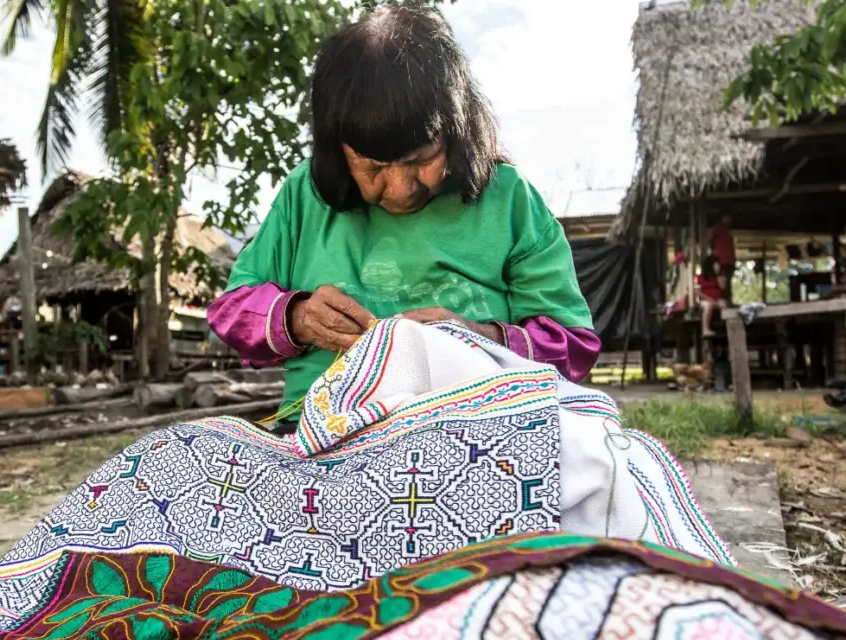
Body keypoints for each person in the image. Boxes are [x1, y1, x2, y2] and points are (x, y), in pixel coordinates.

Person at [208, 6, 599, 421]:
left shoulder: (510, 200)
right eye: (373, 168)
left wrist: (480, 340)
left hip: (475, 432)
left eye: (421, 159)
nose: (401, 189)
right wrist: (299, 316)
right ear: (338, 153)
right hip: (328, 434)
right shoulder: (304, 195)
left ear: (456, 130)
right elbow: (233, 311)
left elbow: (573, 346)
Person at [698, 255, 728, 337]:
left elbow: (723, 288)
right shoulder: (700, 277)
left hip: (717, 300)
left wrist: (720, 277)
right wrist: (709, 299)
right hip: (705, 301)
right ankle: (705, 329)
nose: (718, 266)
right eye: (716, 264)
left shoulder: (718, 277)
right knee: (708, 305)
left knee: (724, 304)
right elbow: (697, 292)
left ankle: (724, 328)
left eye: (718, 265)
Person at [709, 213, 735, 302]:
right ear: (722, 218)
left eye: (729, 218)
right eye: (727, 218)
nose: (728, 220)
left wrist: (733, 260)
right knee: (721, 281)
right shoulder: (716, 229)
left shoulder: (728, 231)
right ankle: (722, 300)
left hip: (729, 260)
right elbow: (711, 243)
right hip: (720, 260)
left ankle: (728, 300)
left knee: (728, 281)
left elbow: (732, 246)